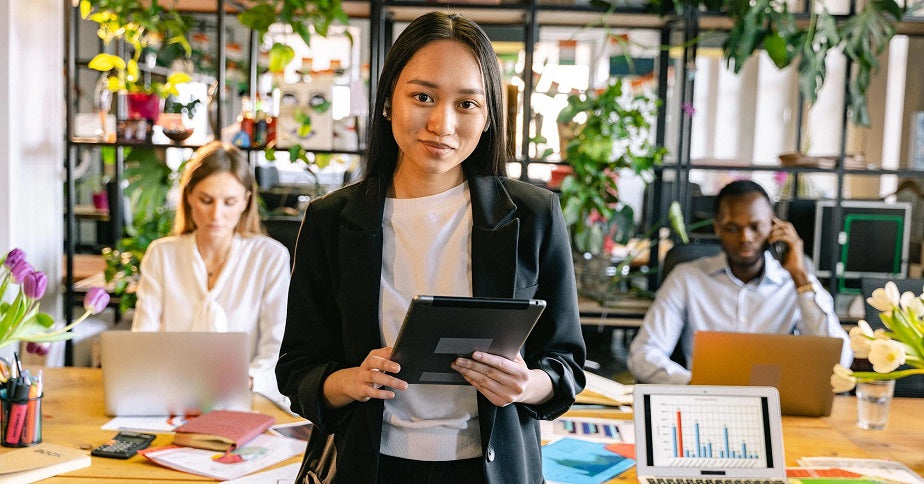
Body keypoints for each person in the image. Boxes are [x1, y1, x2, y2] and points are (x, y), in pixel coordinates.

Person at [276, 12, 586, 484]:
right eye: (423, 97)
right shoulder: (331, 220)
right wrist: (349, 381)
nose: (442, 123)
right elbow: (297, 369)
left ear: (487, 119)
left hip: (493, 470)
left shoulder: (533, 215)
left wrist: (527, 384)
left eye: (467, 104)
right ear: (387, 104)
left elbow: (565, 364)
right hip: (371, 467)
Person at [627, 180, 851, 384]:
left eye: (755, 227)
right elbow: (643, 354)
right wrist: (695, 384)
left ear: (773, 226)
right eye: (732, 228)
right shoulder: (687, 278)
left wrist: (800, 277)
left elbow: (840, 362)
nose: (745, 238)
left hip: (779, 407)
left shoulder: (794, 283)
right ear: (717, 227)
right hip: (704, 403)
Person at [133, 141, 290, 402]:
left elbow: (277, 346)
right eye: (206, 200)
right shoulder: (162, 254)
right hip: (171, 394)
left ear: (245, 202)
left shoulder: (269, 257)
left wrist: (247, 379)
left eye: (229, 202)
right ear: (189, 197)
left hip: (248, 394)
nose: (217, 215)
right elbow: (143, 340)